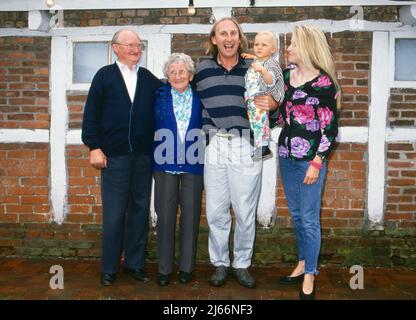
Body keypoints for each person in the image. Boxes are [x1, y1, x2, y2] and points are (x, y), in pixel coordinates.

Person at [194, 17, 278, 289]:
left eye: (233, 33)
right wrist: (206, 131)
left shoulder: (255, 68)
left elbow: (275, 99)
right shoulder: (202, 69)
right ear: (214, 39)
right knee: (217, 209)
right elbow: (187, 96)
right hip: (216, 143)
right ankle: (220, 263)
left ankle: (242, 263)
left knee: (244, 210)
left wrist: (273, 106)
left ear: (239, 38)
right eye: (223, 34)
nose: (229, 38)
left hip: (246, 143)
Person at [81, 28, 163, 286]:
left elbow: (171, 97)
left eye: (138, 45)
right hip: (113, 157)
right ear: (115, 47)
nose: (135, 49)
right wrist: (94, 146)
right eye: (129, 45)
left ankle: (135, 265)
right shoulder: (104, 76)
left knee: (139, 211)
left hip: (142, 157)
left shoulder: (149, 79)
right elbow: (90, 115)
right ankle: (109, 268)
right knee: (115, 214)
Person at [276, 25, 340, 300]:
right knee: (298, 215)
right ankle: (302, 262)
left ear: (307, 47)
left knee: (310, 219)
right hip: (286, 156)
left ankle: (311, 273)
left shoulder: (325, 84)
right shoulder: (287, 77)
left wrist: (317, 162)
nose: (288, 48)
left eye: (292, 44)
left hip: (309, 159)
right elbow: (280, 117)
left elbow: (331, 130)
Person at [153, 53, 204, 286]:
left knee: (191, 215)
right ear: (167, 76)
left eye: (181, 71)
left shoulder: (201, 97)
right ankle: (164, 269)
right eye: (172, 72)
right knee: (164, 216)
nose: (177, 75)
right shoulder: (158, 95)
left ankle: (187, 267)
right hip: (163, 161)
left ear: (191, 75)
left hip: (193, 162)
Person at [242, 31, 284, 160]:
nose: (259, 47)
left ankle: (264, 146)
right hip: (252, 98)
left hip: (261, 97)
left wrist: (263, 71)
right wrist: (250, 56)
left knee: (260, 121)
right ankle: (259, 145)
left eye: (264, 45)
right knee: (255, 122)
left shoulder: (271, 64)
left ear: (273, 49)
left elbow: (271, 80)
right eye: (256, 44)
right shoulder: (258, 60)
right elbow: (257, 59)